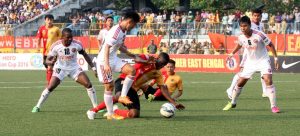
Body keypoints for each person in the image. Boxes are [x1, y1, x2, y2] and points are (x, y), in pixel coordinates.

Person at [87, 53, 185, 119]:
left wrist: (173, 103)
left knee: (134, 114)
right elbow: (136, 58)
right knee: (119, 96)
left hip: (133, 89)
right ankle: (93, 111)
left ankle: (115, 111)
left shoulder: (157, 74)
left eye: (163, 64)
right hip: (123, 80)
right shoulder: (147, 58)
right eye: (161, 62)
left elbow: (163, 88)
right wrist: (146, 61)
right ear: (157, 58)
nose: (161, 65)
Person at [32, 28, 98, 113]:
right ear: (62, 37)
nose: (70, 39)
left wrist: (93, 68)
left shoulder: (77, 44)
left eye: (71, 37)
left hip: (74, 68)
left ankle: (96, 107)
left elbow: (85, 55)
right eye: (68, 37)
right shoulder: (56, 46)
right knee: (50, 87)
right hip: (61, 68)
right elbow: (46, 60)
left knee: (88, 84)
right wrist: (50, 62)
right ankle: (37, 106)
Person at [222, 16, 280, 113]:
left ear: (249, 25)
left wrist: (276, 58)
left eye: (245, 26)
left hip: (263, 60)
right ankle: (233, 102)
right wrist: (232, 54)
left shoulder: (259, 34)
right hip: (250, 62)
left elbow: (270, 45)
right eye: (241, 26)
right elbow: (239, 44)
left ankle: (273, 106)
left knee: (268, 79)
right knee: (240, 82)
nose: (243, 28)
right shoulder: (241, 37)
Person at [95, 11, 143, 120]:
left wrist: (133, 56)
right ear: (129, 22)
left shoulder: (123, 31)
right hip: (104, 60)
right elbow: (106, 47)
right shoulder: (116, 32)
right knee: (109, 87)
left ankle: (122, 96)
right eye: (134, 25)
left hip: (113, 58)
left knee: (131, 71)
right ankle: (110, 113)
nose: (133, 27)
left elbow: (120, 47)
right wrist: (106, 65)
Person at [226, 9, 268, 99]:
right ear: (252, 16)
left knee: (264, 72)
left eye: (258, 16)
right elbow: (242, 41)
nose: (256, 17)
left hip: (259, 54)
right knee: (242, 73)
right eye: (255, 16)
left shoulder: (260, 25)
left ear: (261, 16)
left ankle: (265, 91)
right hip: (248, 54)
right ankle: (230, 89)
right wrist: (232, 52)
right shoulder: (249, 25)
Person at [37, 14, 61, 85]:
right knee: (48, 68)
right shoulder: (41, 29)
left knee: (50, 67)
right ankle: (52, 80)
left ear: (53, 20)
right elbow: (38, 38)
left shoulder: (56, 29)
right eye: (48, 20)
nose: (49, 21)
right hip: (45, 52)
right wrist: (38, 47)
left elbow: (61, 39)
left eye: (51, 20)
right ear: (45, 20)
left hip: (54, 52)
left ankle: (49, 84)